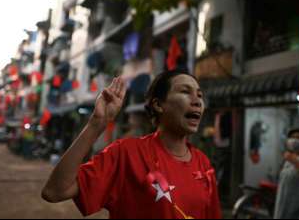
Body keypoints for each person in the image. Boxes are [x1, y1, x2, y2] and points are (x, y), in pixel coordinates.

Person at [42, 72, 222, 219]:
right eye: (185, 91)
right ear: (158, 105)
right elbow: (55, 191)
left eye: (199, 95)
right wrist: (96, 124)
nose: (197, 100)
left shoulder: (203, 164)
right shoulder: (127, 153)